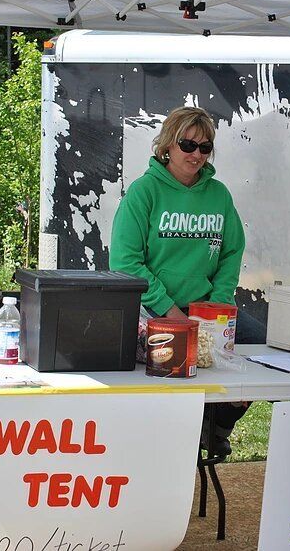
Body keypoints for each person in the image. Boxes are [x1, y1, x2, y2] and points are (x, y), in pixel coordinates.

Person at [109, 107, 249, 456]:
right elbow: (126, 261)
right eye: (188, 144)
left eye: (205, 147)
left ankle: (216, 426)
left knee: (260, 352)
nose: (196, 155)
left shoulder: (219, 195)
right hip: (153, 312)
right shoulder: (144, 192)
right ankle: (159, 448)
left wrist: (215, 306)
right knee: (171, 363)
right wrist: (172, 312)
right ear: (168, 145)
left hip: (204, 308)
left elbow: (232, 251)